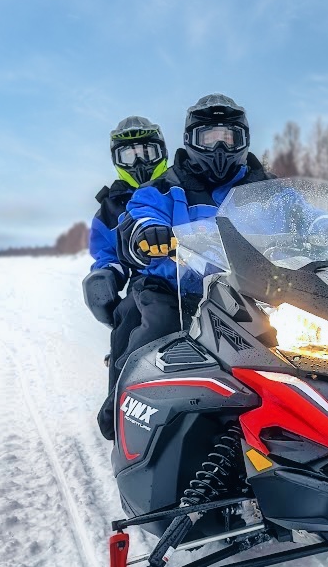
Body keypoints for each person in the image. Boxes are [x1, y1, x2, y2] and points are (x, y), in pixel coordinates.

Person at [97, 94, 272, 439]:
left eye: (229, 136)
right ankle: (123, 407)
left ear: (243, 139)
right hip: (175, 288)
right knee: (154, 329)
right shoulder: (165, 186)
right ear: (191, 140)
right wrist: (148, 230)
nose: (219, 147)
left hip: (251, 288)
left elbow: (303, 214)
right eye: (209, 137)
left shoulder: (264, 186)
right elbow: (141, 211)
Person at [82, 116, 169, 434]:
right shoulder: (110, 207)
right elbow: (105, 253)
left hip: (204, 271)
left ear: (161, 151)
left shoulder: (180, 185)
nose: (139, 162)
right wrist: (106, 274)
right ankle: (117, 403)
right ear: (116, 160)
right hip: (146, 281)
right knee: (128, 315)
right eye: (129, 155)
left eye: (146, 152)